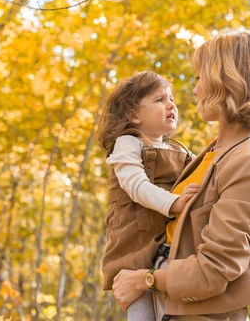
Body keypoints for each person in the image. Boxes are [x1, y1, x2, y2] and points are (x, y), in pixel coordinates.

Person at [112, 30, 250, 320]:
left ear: (226, 81)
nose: (195, 90)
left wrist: (145, 279)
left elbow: (216, 269)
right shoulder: (215, 153)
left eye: (199, 79)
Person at [99, 71, 200, 320]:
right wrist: (174, 202)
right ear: (134, 115)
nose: (171, 105)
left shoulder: (178, 150)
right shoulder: (128, 143)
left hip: (166, 245)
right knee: (141, 309)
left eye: (171, 99)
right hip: (134, 241)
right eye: (160, 100)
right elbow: (136, 186)